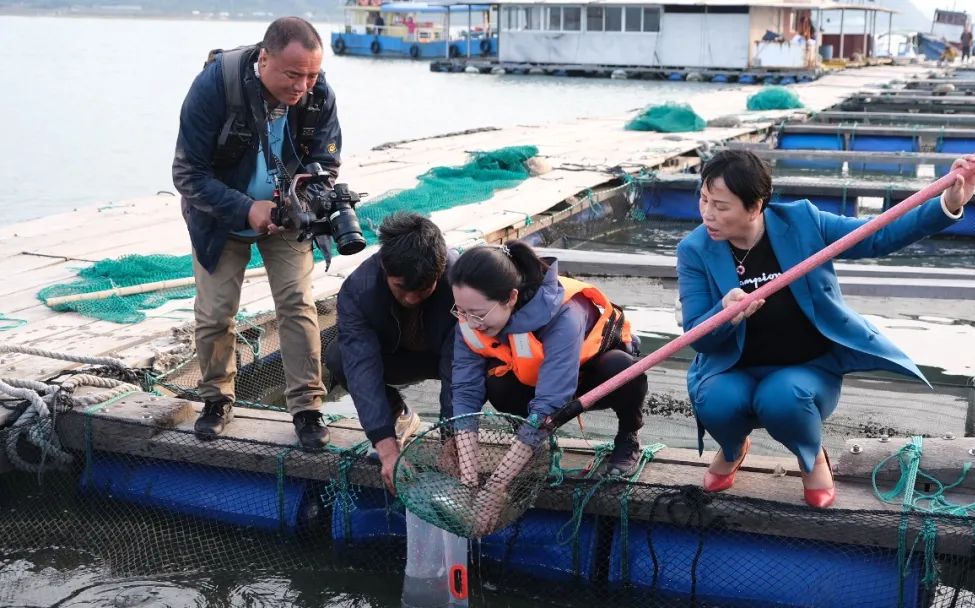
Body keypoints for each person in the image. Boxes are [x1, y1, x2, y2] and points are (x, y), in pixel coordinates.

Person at [676, 149, 975, 509]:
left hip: (806, 367)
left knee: (782, 398)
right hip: (733, 366)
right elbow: (697, 333)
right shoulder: (694, 249)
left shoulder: (802, 223)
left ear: (755, 205)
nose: (707, 214)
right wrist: (723, 314)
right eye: (703, 199)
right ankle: (733, 448)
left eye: (721, 206)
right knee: (715, 399)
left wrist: (947, 202)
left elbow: (877, 236)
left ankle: (811, 459)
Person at [173, 16, 342, 449]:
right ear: (264, 59)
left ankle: (307, 407)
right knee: (215, 313)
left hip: (288, 216)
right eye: (292, 74)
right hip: (220, 216)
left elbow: (326, 162)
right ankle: (216, 399)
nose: (303, 85)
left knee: (298, 303)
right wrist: (247, 209)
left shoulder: (318, 94)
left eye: (312, 74)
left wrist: (306, 200)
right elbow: (187, 173)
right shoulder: (216, 86)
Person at [450, 242, 648, 530]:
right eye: (461, 310)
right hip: (532, 379)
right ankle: (529, 444)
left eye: (477, 313)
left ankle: (628, 434)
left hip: (588, 380)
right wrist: (469, 484)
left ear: (510, 297)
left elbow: (549, 405)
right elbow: (465, 396)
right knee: (496, 383)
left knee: (622, 368)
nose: (469, 322)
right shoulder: (469, 321)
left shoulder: (564, 315)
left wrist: (494, 488)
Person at [328, 213, 457, 493]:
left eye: (423, 290)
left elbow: (460, 370)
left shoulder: (459, 280)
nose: (411, 298)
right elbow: (362, 369)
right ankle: (397, 416)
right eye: (401, 288)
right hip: (396, 358)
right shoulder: (358, 289)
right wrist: (386, 450)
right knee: (339, 356)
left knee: (490, 371)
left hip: (445, 354)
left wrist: (453, 441)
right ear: (385, 266)